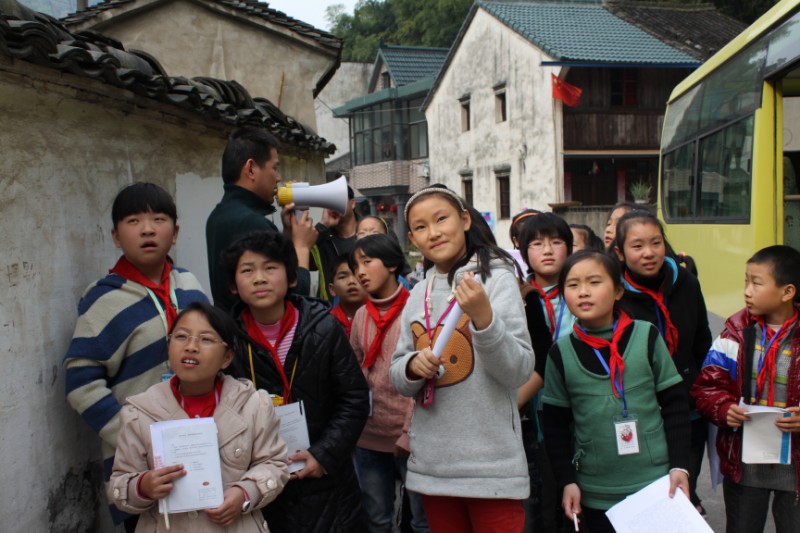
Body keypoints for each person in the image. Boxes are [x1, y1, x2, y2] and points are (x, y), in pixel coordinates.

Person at [63, 182, 208, 530]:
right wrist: (135, 436)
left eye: (159, 219)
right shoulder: (103, 300)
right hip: (139, 466)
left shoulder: (189, 284)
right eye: (133, 221)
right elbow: (80, 382)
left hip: (200, 450)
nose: (147, 229)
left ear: (175, 233)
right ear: (115, 236)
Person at [389, 186, 533, 532]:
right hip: (434, 467)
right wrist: (412, 367)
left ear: (465, 219)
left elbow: (518, 370)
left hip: (492, 468)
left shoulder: (497, 280)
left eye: (442, 219)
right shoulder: (418, 291)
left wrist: (484, 320)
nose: (434, 232)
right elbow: (396, 373)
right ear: (411, 238)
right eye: (421, 227)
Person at [221, 230, 369, 532]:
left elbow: (354, 398)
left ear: (291, 278)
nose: (259, 278)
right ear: (233, 285)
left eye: (270, 268)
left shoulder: (324, 327)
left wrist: (324, 454)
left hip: (326, 482)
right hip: (259, 482)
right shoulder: (227, 339)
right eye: (247, 270)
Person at [542, 250, 691, 533]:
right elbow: (555, 427)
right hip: (595, 494)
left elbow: (675, 405)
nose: (583, 292)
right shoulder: (560, 354)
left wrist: (680, 466)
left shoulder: (646, 336)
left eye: (595, 282)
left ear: (619, 290)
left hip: (656, 485)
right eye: (573, 285)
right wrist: (567, 481)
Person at [107, 302, 289, 532]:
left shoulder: (252, 405)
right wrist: (143, 486)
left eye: (205, 339)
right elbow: (119, 483)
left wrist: (244, 492)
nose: (191, 346)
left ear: (227, 357)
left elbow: (275, 464)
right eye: (181, 336)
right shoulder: (140, 412)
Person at [692, 245, 800, 533]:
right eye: (746, 281)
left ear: (787, 292)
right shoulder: (734, 333)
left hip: (795, 471)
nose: (747, 291)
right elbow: (707, 386)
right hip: (744, 467)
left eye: (757, 282)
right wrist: (724, 408)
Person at [614, 210, 712, 514]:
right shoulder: (614, 293)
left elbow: (702, 341)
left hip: (687, 410)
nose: (648, 253)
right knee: (644, 500)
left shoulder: (685, 281)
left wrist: (701, 390)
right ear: (619, 252)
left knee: (681, 494)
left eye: (656, 243)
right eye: (637, 245)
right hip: (640, 414)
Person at [349, 234, 428, 532]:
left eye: (367, 262)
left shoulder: (417, 312)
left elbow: (422, 380)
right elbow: (355, 374)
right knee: (377, 520)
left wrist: (409, 432)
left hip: (411, 438)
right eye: (355, 265)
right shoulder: (360, 316)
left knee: (423, 522)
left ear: (393, 264)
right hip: (368, 437)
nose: (360, 272)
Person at [206, 127, 316, 311]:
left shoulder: (217, 215)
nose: (278, 177)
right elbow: (294, 295)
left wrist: (287, 235)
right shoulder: (252, 222)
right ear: (250, 169)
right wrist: (302, 247)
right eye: (275, 167)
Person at [515, 212, 576, 533]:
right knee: (544, 497)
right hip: (536, 411)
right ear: (524, 252)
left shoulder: (581, 291)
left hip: (579, 409)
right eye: (537, 244)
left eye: (556, 242)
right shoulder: (518, 297)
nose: (548, 250)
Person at [311, 186, 358, 301]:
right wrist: (322, 226)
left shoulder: (371, 229)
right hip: (330, 310)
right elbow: (305, 261)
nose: (334, 204)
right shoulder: (323, 237)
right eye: (329, 201)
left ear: (352, 204)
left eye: (338, 199)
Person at [328, 254, 367, 338]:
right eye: (343, 277)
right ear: (332, 289)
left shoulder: (380, 317)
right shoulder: (327, 323)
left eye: (357, 275)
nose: (351, 281)